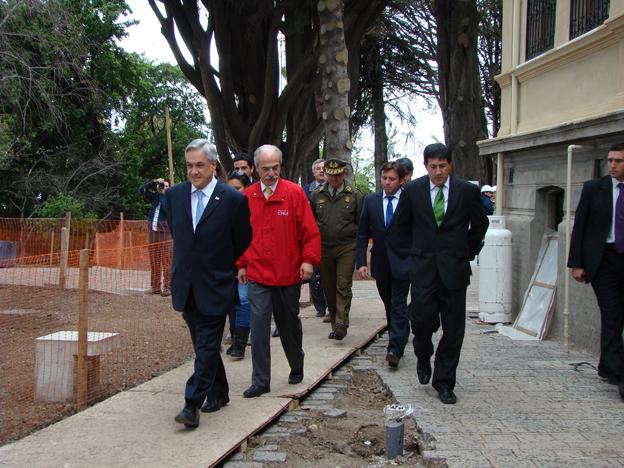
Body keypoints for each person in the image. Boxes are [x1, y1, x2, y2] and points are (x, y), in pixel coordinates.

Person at [165, 139, 252, 428]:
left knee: (205, 344)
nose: (193, 171)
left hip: (216, 283)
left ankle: (192, 405)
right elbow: (179, 234)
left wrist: (223, 265)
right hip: (186, 285)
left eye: (199, 165)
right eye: (189, 165)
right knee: (204, 345)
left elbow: (243, 240)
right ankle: (219, 391)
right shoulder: (175, 196)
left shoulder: (233, 199)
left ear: (213, 166)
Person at [395, 143, 488, 404]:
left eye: (442, 166)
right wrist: (413, 254)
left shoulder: (466, 191)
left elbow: (480, 224)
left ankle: (445, 381)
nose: (438, 172)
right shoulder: (413, 191)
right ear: (425, 166)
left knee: (454, 329)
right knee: (422, 321)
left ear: (450, 165)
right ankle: (423, 353)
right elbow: (401, 226)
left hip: (454, 270)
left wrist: (466, 251)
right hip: (423, 269)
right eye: (433, 166)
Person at [237, 144, 321, 398]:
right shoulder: (247, 197)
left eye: (275, 168)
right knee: (259, 326)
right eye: (266, 169)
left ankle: (296, 362)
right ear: (256, 169)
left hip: (288, 274)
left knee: (288, 324)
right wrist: (241, 264)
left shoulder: (294, 193)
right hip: (258, 274)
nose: (271, 173)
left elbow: (309, 231)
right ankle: (260, 380)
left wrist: (308, 260)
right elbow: (239, 236)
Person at [568, 143, 624, 401]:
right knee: (612, 314)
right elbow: (580, 225)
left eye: (618, 161)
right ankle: (617, 373)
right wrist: (576, 263)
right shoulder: (595, 189)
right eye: (610, 160)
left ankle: (610, 366)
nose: (612, 165)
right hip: (604, 261)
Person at [356, 161, 412, 368]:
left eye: (392, 179)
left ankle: (394, 349)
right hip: (380, 262)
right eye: (384, 178)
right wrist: (361, 262)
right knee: (389, 304)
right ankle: (401, 331)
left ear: (401, 180)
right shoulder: (371, 201)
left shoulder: (409, 199)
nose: (387, 183)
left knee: (398, 304)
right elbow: (362, 233)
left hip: (404, 261)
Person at [310, 158, 364, 340]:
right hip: (324, 248)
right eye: (330, 175)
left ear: (344, 174)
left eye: (338, 175)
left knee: (343, 284)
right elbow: (311, 222)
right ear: (326, 174)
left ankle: (342, 322)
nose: (334, 179)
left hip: (347, 247)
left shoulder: (355, 195)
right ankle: (335, 324)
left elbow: (361, 223)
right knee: (328, 287)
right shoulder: (317, 195)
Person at [225, 171, 253, 359]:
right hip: (226, 263)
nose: (232, 193)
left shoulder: (252, 208)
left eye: (237, 189)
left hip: (246, 263)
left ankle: (240, 343)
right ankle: (234, 334)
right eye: (229, 189)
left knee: (242, 299)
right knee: (230, 302)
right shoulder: (221, 208)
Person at [303, 159, 327, 318]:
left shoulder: (336, 189)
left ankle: (332, 305)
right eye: (318, 168)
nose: (321, 171)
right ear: (313, 172)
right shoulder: (306, 190)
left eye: (323, 168)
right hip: (312, 237)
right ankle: (320, 306)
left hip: (330, 237)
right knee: (315, 275)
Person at [139, 177, 172, 296]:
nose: (164, 188)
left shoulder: (170, 199)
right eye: (162, 186)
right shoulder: (155, 197)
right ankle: (155, 286)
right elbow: (141, 190)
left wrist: (163, 194)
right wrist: (153, 182)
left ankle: (168, 287)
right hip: (153, 231)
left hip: (165, 232)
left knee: (166, 260)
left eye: (166, 186)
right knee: (154, 260)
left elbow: (165, 209)